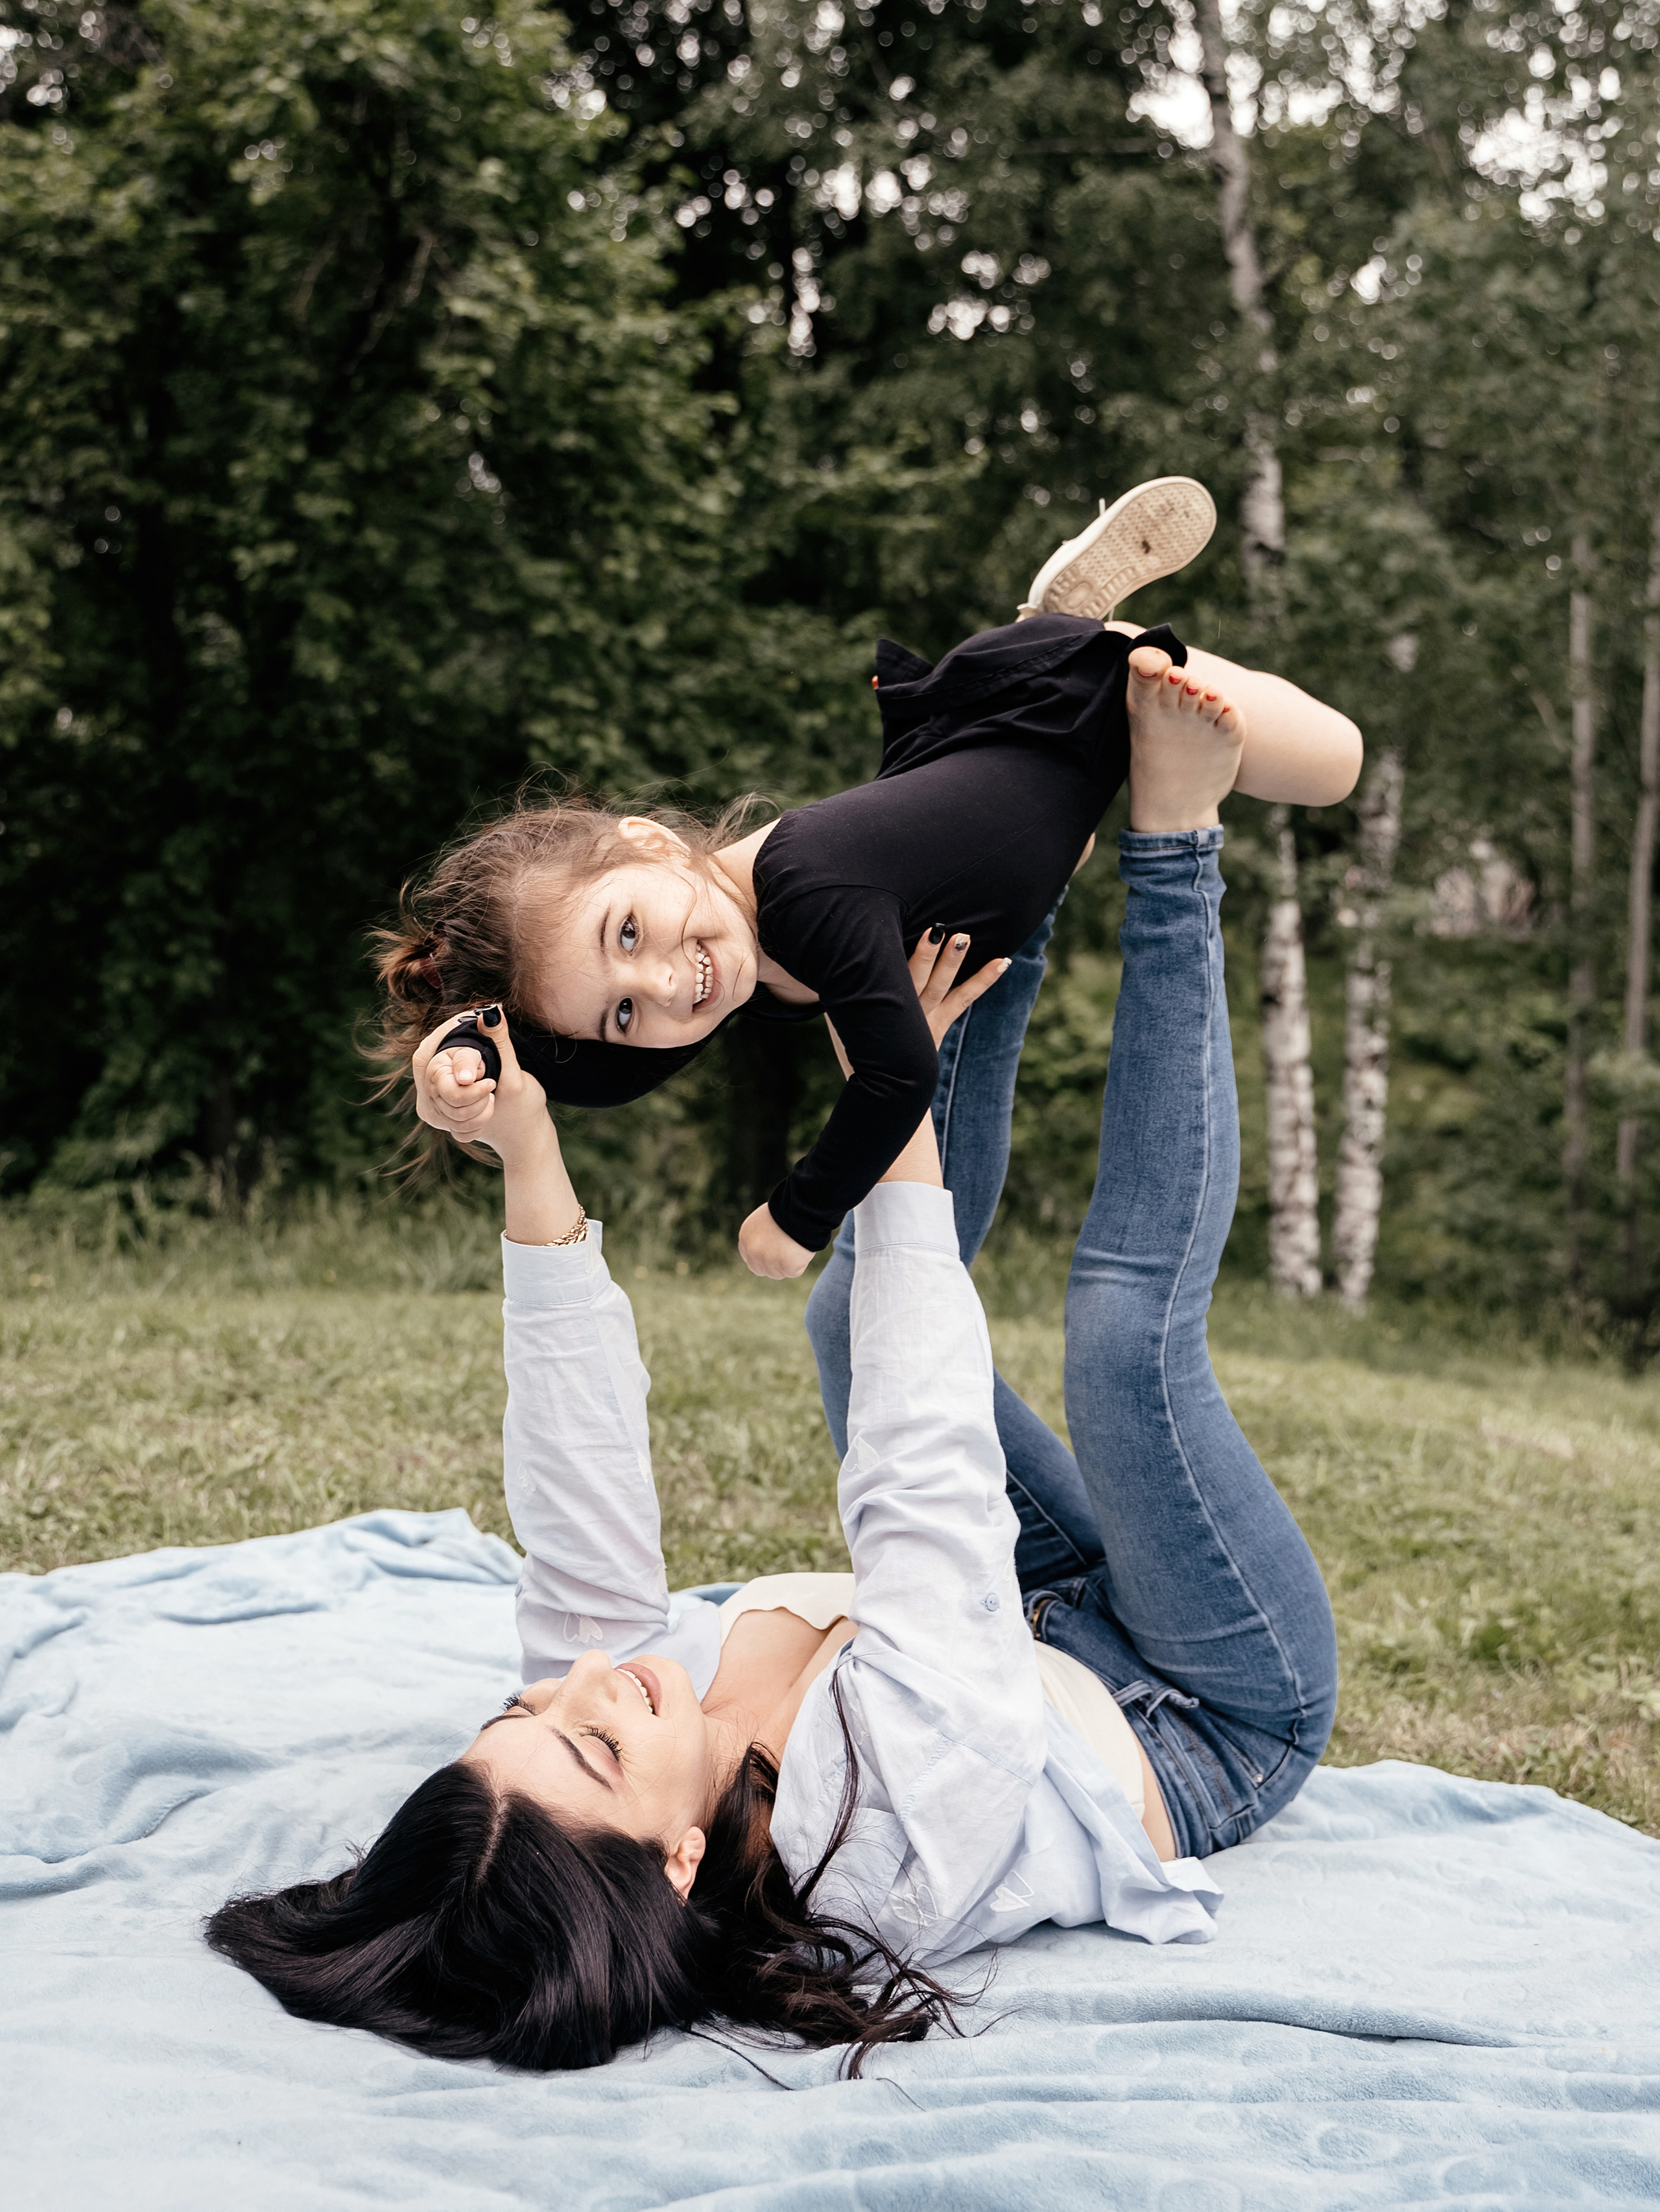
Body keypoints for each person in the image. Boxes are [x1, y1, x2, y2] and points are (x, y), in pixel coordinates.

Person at [208, 652, 1340, 2075]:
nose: (579, 1685)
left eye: (520, 1710)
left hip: (1032, 1620)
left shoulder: (602, 1738)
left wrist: (523, 1149)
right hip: (1200, 1702)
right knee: (1121, 1346)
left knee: (840, 1314)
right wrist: (896, 1080)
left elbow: (576, 1469)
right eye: (585, 1741)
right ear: (676, 1863)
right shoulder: (888, 1835)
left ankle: (1013, 885)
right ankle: (1175, 835)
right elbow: (921, 1471)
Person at [372, 480, 1362, 1279]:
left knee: (1334, 765)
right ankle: (1051, 613)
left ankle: (1076, 629)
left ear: (652, 844)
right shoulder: (733, 948)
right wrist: (466, 1061)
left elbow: (898, 1075)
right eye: (625, 1011)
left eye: (627, 934)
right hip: (983, 767)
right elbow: (597, 1073)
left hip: (1067, 708)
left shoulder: (807, 895)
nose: (666, 985)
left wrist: (794, 1219)